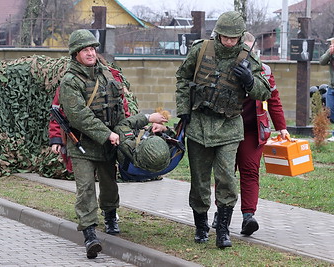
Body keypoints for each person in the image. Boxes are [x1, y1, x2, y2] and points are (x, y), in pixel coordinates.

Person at [58, 29, 166, 259]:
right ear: (75, 53)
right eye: (85, 49)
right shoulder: (69, 81)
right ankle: (89, 233)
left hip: (109, 142)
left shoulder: (107, 75)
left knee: (109, 184)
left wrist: (141, 124)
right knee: (86, 188)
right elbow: (78, 115)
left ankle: (110, 216)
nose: (90, 53)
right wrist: (106, 134)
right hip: (83, 145)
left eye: (92, 49)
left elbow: (120, 110)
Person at [175, 11, 271, 249]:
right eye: (225, 37)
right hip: (199, 123)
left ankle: (223, 231)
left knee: (226, 177)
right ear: (218, 34)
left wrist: (250, 80)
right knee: (199, 180)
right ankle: (200, 226)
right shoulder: (200, 50)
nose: (229, 42)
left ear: (240, 37)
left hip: (229, 125)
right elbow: (182, 78)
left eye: (234, 38)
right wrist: (183, 110)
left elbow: (265, 91)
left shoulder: (247, 57)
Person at [233, 32, 289, 236]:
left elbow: (273, 98)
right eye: (243, 49)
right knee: (226, 173)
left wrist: (281, 127)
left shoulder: (264, 70)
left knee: (249, 170)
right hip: (226, 128)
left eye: (251, 49)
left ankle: (248, 216)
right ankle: (223, 213)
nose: (247, 54)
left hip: (253, 129)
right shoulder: (226, 68)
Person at [319, 37, 334, 124]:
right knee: (329, 112)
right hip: (332, 87)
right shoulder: (331, 53)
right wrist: (329, 52)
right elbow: (322, 61)